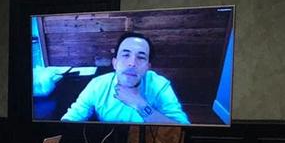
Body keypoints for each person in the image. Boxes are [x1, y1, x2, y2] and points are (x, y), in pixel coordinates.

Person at [61, 32, 190, 124]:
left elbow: (182, 129)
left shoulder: (160, 85)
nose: (132, 63)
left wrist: (139, 104)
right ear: (115, 63)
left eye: (141, 57)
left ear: (148, 67)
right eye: (126, 55)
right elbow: (71, 118)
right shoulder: (97, 85)